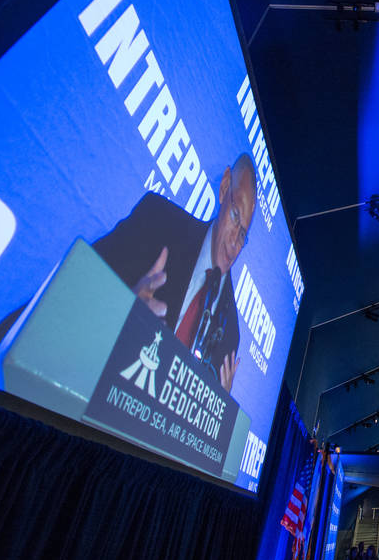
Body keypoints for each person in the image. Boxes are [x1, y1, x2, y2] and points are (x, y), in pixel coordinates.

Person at [91, 154, 256, 392]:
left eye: (242, 235)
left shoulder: (230, 333)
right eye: (235, 215)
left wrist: (219, 411)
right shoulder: (158, 221)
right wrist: (123, 304)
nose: (234, 245)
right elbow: (80, 279)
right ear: (224, 187)